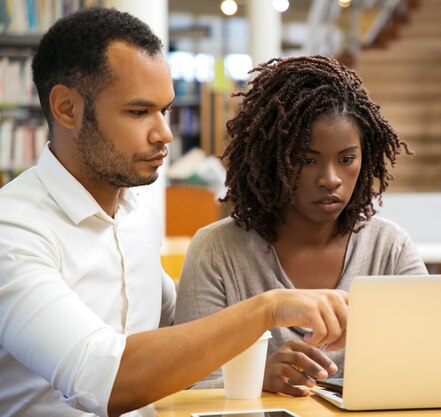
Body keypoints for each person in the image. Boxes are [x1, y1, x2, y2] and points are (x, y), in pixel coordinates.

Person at [0, 8, 349, 417]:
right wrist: (267, 308)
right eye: (138, 112)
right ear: (67, 108)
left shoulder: (135, 209)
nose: (164, 132)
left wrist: (256, 371)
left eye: (164, 110)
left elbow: (177, 330)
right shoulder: (14, 230)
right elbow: (105, 381)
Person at [174, 55, 428, 397]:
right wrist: (257, 378)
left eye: (347, 159)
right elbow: (187, 383)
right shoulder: (217, 251)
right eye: (307, 160)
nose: (330, 179)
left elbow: (429, 362)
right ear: (270, 158)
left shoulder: (389, 249)